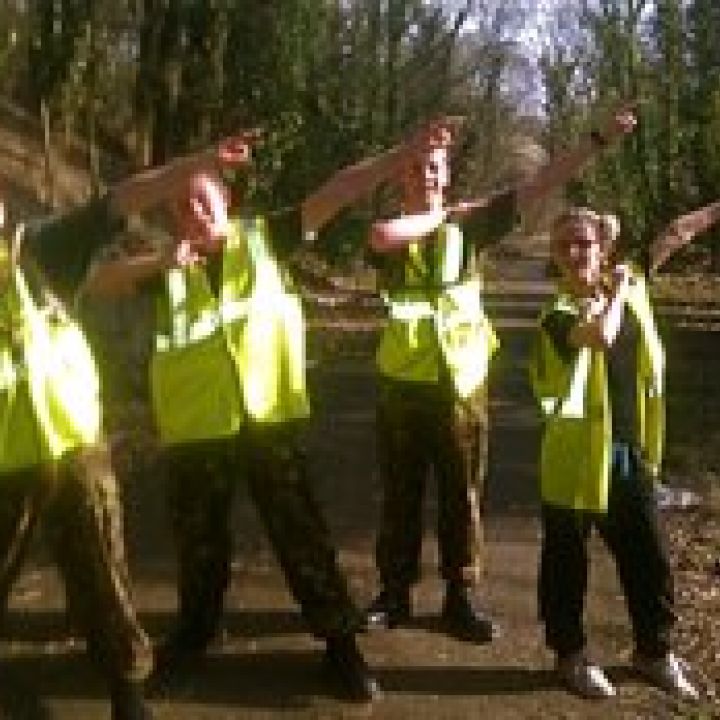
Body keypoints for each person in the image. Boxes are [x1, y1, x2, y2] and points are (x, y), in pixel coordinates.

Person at [85, 130, 435, 702]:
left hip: (268, 418)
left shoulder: (264, 240)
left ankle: (340, 645)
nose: (193, 213)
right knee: (199, 540)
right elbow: (97, 284)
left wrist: (400, 157)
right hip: (197, 426)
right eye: (179, 207)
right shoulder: (168, 265)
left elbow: (337, 191)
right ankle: (196, 634)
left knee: (303, 536)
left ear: (227, 201)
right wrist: (160, 261)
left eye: (202, 201)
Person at [362, 110, 637, 642]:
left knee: (462, 493)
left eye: (435, 168)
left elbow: (541, 184)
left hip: (461, 383)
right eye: (416, 167)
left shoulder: (471, 226)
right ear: (399, 176)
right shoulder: (395, 231)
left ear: (448, 175)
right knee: (399, 492)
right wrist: (445, 216)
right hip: (402, 383)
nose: (427, 176)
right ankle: (393, 593)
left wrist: (597, 140)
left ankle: (460, 596)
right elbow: (382, 237)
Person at [528, 208, 699, 701]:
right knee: (567, 562)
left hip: (628, 451)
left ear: (603, 248)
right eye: (565, 245)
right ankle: (570, 655)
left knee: (649, 557)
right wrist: (620, 289)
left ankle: (654, 652)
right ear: (555, 257)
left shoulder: (629, 282)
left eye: (585, 242)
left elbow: (674, 233)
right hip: (574, 458)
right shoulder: (558, 314)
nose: (576, 252)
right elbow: (600, 337)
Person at [0, 190, 154, 720]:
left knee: (104, 571)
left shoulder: (44, 250)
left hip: (74, 445)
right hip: (4, 454)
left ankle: (127, 691)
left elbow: (116, 203)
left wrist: (200, 161)